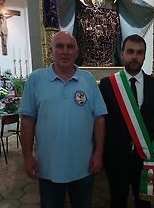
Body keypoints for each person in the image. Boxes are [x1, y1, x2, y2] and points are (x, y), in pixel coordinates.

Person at [19, 31, 107, 208]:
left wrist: (98, 154)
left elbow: (99, 118)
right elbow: (27, 121)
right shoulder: (36, 79)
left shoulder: (88, 80)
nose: (65, 51)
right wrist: (27, 157)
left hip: (83, 167)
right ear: (51, 50)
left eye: (70, 47)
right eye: (59, 46)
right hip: (48, 166)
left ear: (77, 51)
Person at [99, 34, 154, 208]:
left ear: (144, 55)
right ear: (122, 54)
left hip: (144, 157)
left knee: (144, 202)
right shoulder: (107, 85)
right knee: (118, 200)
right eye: (130, 51)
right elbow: (102, 120)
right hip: (116, 156)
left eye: (139, 52)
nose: (135, 56)